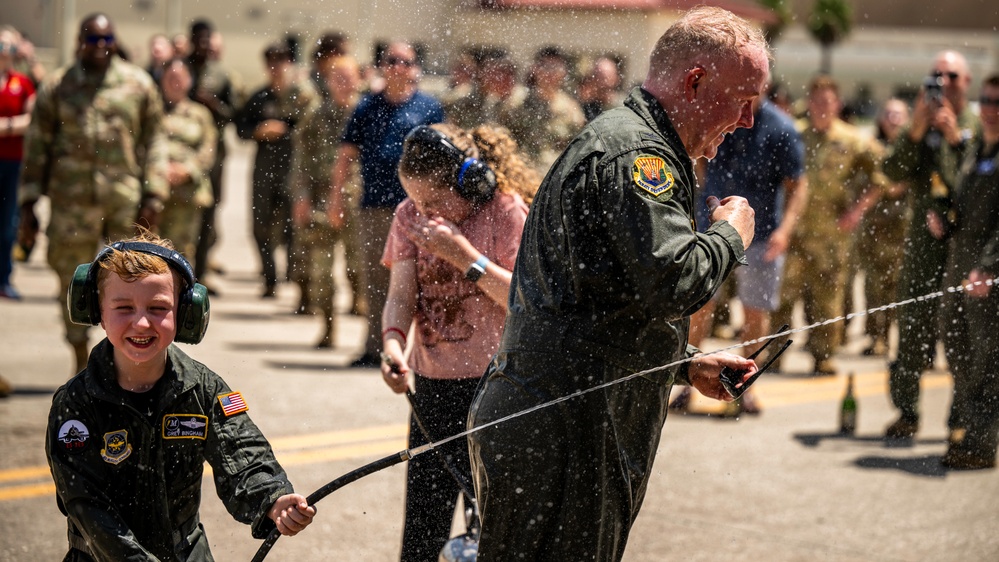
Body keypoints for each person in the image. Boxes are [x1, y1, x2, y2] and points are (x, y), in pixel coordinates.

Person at [467, 7, 766, 560]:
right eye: (743, 98)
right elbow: (675, 281)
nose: (748, 120)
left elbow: (597, 302)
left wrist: (684, 362)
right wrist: (730, 235)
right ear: (696, 81)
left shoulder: (631, 138)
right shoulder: (639, 154)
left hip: (559, 416)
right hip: (565, 430)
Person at [45, 230, 316, 559]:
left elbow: (244, 455)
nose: (142, 323)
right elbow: (87, 507)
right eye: (123, 307)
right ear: (97, 312)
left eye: (159, 308)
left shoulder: (204, 390)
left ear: (186, 314)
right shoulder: (75, 403)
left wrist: (273, 498)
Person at [381, 123, 539, 562]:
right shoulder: (408, 216)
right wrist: (393, 346)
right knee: (422, 530)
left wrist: (464, 257)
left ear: (470, 181)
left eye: (433, 201)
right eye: (414, 200)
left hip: (494, 386)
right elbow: (400, 296)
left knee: (490, 526)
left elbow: (525, 301)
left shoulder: (506, 212)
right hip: (433, 383)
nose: (423, 211)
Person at [18, 13, 168, 374]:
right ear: (79, 42)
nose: (100, 48)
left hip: (124, 204)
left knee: (132, 285)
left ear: (114, 41)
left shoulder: (138, 84)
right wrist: (27, 203)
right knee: (74, 283)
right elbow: (36, 147)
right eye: (92, 40)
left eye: (106, 40)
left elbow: (156, 140)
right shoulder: (57, 87)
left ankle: (126, 363)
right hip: (72, 205)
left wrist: (155, 194)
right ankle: (80, 361)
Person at [672, 90, 808, 416]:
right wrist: (706, 203)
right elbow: (701, 162)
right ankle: (686, 380)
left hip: (761, 235)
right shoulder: (720, 113)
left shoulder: (781, 127)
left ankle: (747, 386)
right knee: (699, 307)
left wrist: (785, 230)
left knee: (754, 312)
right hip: (712, 230)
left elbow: (798, 184)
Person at [327, 40, 445, 367]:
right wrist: (336, 197)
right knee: (376, 280)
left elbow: (445, 157)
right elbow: (346, 154)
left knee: (426, 280)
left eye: (405, 61)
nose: (398, 66)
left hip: (420, 208)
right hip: (376, 207)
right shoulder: (366, 107)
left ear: (415, 68)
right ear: (382, 66)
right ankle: (375, 347)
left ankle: (425, 351)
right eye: (391, 60)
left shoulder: (429, 108)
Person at [882, 50, 977, 440]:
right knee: (913, 331)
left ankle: (960, 419)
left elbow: (978, 185)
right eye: (936, 76)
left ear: (966, 82)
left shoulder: (978, 125)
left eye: (952, 75)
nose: (943, 82)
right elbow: (891, 171)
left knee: (962, 335)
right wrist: (917, 129)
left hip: (965, 248)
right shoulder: (920, 126)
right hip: (923, 247)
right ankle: (907, 413)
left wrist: (956, 140)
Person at [772, 76, 885, 376]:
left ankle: (823, 356)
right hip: (793, 232)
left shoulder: (852, 140)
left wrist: (857, 211)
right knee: (782, 297)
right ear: (809, 103)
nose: (822, 107)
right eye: (817, 101)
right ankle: (773, 354)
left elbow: (881, 174)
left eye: (828, 101)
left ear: (837, 104)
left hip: (832, 235)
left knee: (828, 299)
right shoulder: (794, 135)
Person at [934, 74, 999, 470]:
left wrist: (989, 267)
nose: (991, 109)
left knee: (986, 360)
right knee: (956, 345)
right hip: (960, 264)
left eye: (998, 102)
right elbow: (960, 197)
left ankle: (980, 443)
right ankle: (969, 427)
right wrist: (943, 217)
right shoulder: (977, 147)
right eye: (987, 101)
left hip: (986, 273)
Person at [290, 53, 363, 347]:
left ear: (359, 79)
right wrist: (301, 197)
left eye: (348, 77)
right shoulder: (316, 115)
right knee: (321, 271)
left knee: (360, 267)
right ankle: (328, 327)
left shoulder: (368, 113)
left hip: (359, 204)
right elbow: (300, 160)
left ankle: (367, 328)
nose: (343, 83)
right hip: (322, 204)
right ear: (328, 82)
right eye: (337, 77)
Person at [236, 43, 318, 298]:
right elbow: (240, 128)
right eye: (271, 62)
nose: (276, 67)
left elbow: (312, 128)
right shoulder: (259, 97)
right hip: (264, 171)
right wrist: (259, 131)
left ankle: (295, 278)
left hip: (293, 170)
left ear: (290, 64)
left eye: (281, 61)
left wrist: (286, 130)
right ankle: (270, 278)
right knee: (260, 225)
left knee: (293, 229)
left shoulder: (302, 96)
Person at [186, 20, 240, 292]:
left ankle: (201, 271)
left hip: (214, 155)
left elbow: (233, 114)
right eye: (199, 39)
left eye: (208, 40)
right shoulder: (179, 69)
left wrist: (213, 104)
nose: (203, 45)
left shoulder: (221, 75)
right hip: (183, 153)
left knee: (208, 212)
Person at [855, 98, 910, 356]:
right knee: (873, 286)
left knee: (895, 286)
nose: (894, 119)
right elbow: (873, 182)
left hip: (902, 230)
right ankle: (874, 336)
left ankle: (888, 336)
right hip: (875, 229)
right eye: (889, 114)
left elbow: (900, 184)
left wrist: (886, 184)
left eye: (899, 114)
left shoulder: (912, 149)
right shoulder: (871, 149)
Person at [157, 59, 217, 261]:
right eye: (170, 77)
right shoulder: (153, 112)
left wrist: (187, 170)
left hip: (187, 194)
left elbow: (208, 149)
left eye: (180, 77)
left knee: (182, 253)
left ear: (189, 80)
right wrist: (159, 169)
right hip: (156, 192)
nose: (175, 82)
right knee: (150, 253)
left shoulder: (200, 114)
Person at [499, 46, 585, 175]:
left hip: (553, 182)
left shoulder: (571, 111)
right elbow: (502, 141)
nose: (550, 73)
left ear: (564, 72)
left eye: (555, 68)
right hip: (520, 177)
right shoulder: (515, 103)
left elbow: (577, 151)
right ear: (535, 68)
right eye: (545, 67)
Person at [0, 26, 36, 300]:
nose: (4, 53)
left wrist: (6, 126)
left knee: (8, 223)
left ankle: (4, 279)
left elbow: (31, 118)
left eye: (10, 47)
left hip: (12, 162)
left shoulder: (21, 83)